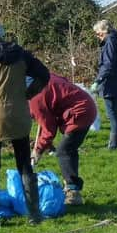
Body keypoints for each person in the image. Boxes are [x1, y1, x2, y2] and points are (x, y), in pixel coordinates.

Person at [0, 22, 49, 226]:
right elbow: (44, 75)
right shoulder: (21, 54)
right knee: (24, 165)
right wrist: (28, 94)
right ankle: (34, 215)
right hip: (20, 114)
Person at [29, 73, 97, 205]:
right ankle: (71, 186)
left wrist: (38, 150)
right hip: (86, 105)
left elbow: (49, 129)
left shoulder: (34, 98)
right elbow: (64, 82)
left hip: (80, 113)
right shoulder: (44, 77)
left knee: (64, 151)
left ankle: (73, 192)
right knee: (69, 149)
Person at [91, 20, 117, 150]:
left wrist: (98, 80)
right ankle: (115, 143)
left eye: (98, 34)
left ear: (104, 31)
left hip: (110, 81)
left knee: (112, 114)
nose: (97, 36)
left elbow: (108, 64)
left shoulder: (110, 41)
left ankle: (113, 145)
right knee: (114, 113)